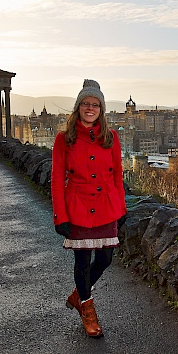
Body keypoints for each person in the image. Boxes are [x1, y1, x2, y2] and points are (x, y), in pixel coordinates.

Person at [51, 79, 127, 338]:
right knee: (82, 261)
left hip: (106, 205)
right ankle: (88, 310)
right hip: (78, 205)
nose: (90, 108)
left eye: (95, 104)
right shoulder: (64, 139)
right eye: (86, 103)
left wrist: (121, 207)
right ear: (78, 107)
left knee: (105, 259)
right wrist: (60, 215)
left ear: (101, 109)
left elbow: (118, 174)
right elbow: (57, 180)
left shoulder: (111, 137)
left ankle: (79, 294)